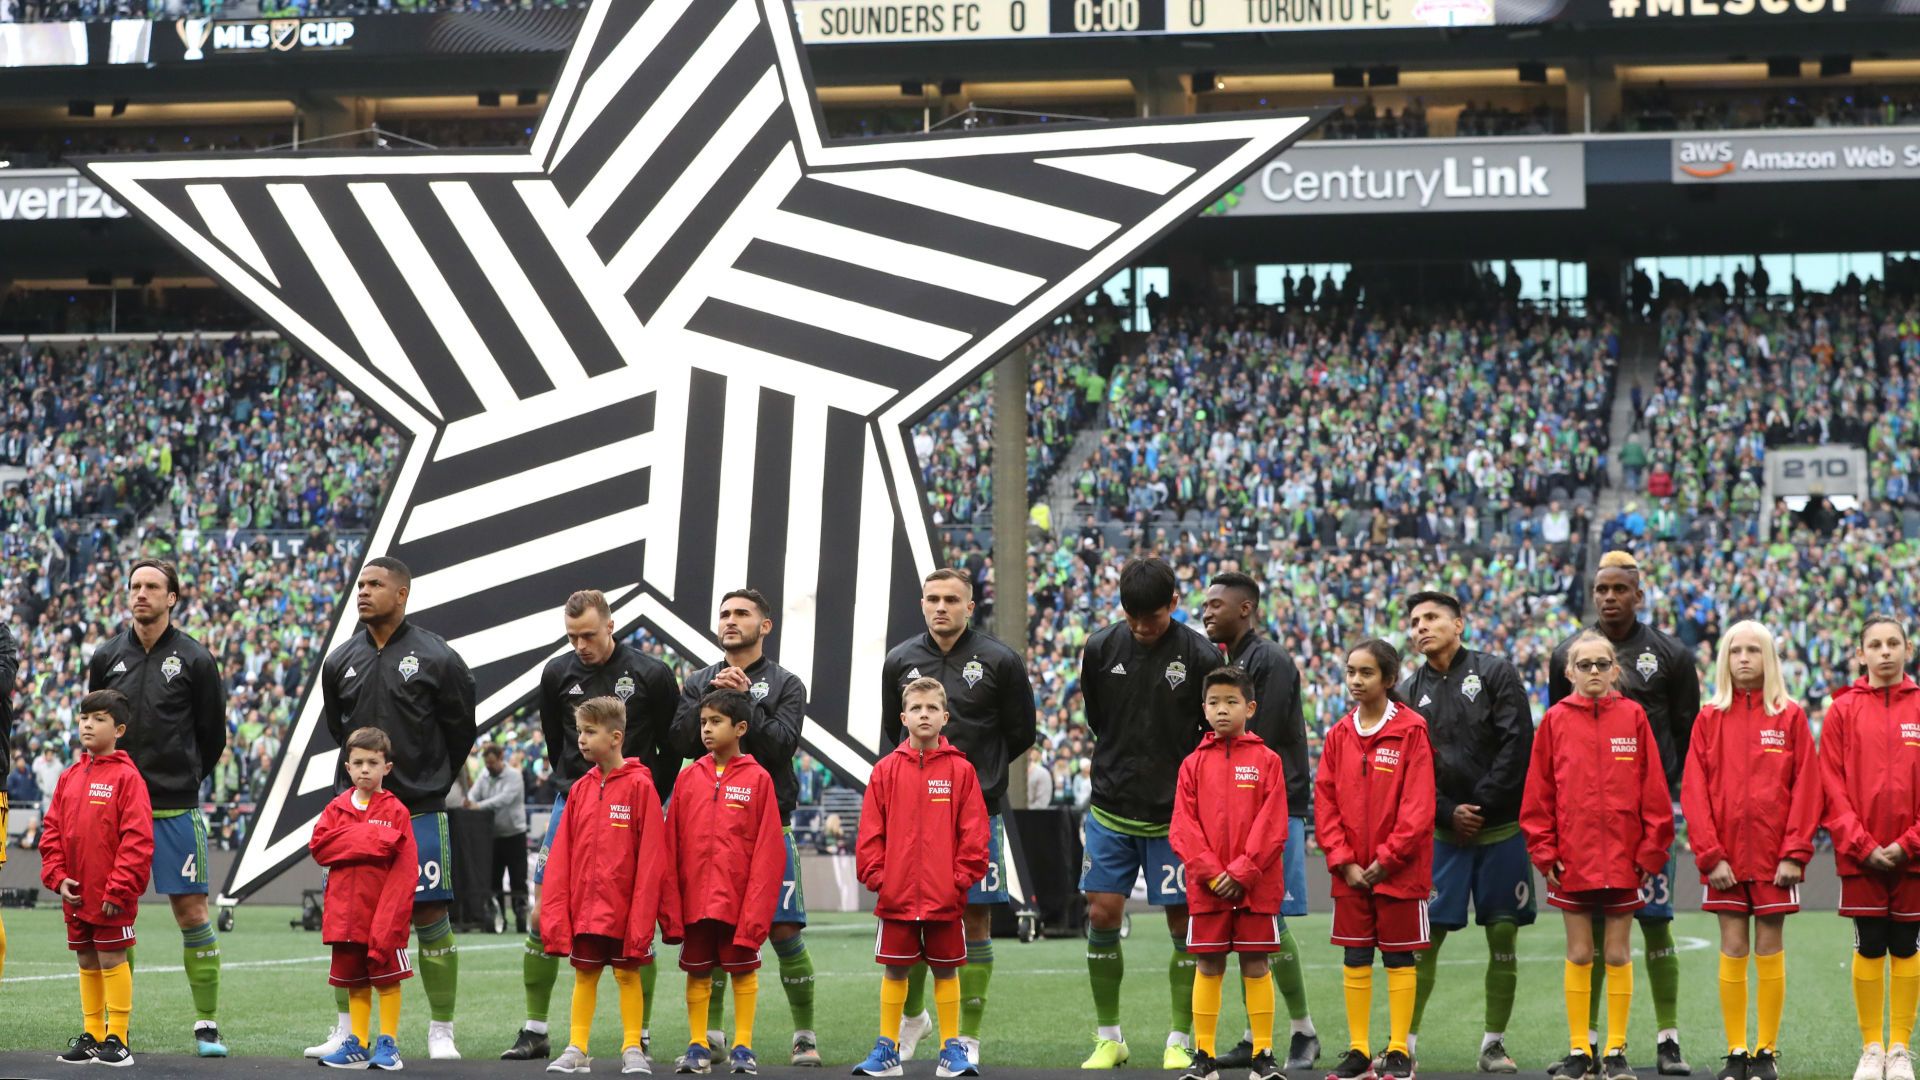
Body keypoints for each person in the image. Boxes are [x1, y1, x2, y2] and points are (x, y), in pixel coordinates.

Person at [312, 556, 478, 1062]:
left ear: (402, 593)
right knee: (350, 922)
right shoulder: (340, 660)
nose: (363, 592)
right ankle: (347, 1032)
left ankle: (441, 1029)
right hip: (357, 814)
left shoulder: (438, 656)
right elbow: (340, 732)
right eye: (360, 584)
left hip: (421, 810)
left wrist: (428, 784)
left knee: (430, 913)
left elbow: (461, 728)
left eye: (375, 584)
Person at [508, 588, 680, 1062]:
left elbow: (672, 743)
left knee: (633, 922)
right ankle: (536, 1029)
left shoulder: (651, 673)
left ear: (610, 624)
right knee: (545, 914)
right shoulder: (558, 673)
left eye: (587, 635)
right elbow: (554, 737)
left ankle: (637, 1037)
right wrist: (574, 784)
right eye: (571, 637)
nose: (580, 645)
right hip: (576, 804)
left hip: (636, 804)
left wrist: (648, 794)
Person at [1548, 551, 1700, 1077]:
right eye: (1601, 590)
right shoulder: (1566, 652)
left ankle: (1667, 1039)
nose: (1610, 597)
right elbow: (1554, 749)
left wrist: (1659, 819)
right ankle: (1586, 1045)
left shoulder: (1672, 654)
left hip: (1641, 829)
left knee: (1655, 927)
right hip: (1582, 835)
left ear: (1639, 594)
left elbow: (1687, 730)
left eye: (1620, 589)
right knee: (1586, 938)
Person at [880, 568, 1036, 1067]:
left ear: (970, 606)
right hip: (915, 817)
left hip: (976, 810)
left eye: (952, 599)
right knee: (912, 916)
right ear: (921, 604)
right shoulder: (899, 660)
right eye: (932, 599)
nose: (941, 607)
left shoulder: (999, 659)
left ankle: (966, 1036)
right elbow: (892, 727)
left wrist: (980, 776)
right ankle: (913, 1020)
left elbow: (1021, 731)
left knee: (975, 917)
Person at [1076, 557, 1225, 1070]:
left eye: (1153, 618)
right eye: (1132, 616)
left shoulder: (1201, 655)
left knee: (1183, 924)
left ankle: (1179, 1037)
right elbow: (1099, 719)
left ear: (1174, 605)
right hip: (1112, 807)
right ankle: (1109, 1036)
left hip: (1175, 816)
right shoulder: (1099, 648)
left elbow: (1209, 733)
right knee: (1102, 913)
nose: (1141, 628)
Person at [86, 558, 230, 1057]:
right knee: (112, 916)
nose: (141, 593)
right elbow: (96, 725)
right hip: (115, 811)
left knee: (191, 913)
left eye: (152, 587)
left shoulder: (195, 659)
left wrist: (181, 779)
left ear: (172, 598)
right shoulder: (107, 656)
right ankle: (113, 1028)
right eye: (135, 586)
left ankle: (207, 1024)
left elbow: (213, 736)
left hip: (173, 809)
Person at [670, 589, 813, 1066]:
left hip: (774, 824)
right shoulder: (697, 681)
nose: (731, 621)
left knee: (784, 929)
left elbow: (780, 748)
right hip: (712, 831)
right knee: (709, 926)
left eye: (742, 614)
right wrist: (715, 698)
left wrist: (746, 701)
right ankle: (710, 1034)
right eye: (725, 614)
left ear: (764, 626)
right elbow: (681, 743)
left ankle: (804, 1035)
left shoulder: (787, 683)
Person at [1523, 631, 1675, 1080]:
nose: (1594, 671)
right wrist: (1544, 850)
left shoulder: (1633, 717)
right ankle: (1578, 1051)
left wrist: (1649, 853)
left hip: (1625, 861)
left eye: (1602, 664)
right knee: (1578, 952)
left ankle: (1615, 1052)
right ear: (1568, 672)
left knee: (1617, 953)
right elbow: (1539, 793)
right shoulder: (1553, 720)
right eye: (1584, 664)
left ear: (1615, 670)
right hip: (1572, 859)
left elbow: (1654, 793)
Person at [1399, 590, 1535, 1074]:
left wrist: (1481, 805)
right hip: (1443, 837)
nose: (1421, 627)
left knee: (1502, 934)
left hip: (1499, 832)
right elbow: (1410, 772)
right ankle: (1404, 1046)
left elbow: (1519, 740)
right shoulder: (1409, 693)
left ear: (1460, 623)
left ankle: (1493, 1045)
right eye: (1415, 621)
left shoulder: (1495, 672)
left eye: (1432, 617)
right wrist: (1448, 812)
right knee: (1425, 939)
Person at [1681, 621, 1819, 1080]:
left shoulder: (1790, 716)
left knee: (1768, 948)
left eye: (1753, 650)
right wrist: (1710, 855)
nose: (1743, 658)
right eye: (1735, 650)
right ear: (1724, 659)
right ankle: (1737, 1051)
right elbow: (1695, 792)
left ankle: (1766, 1053)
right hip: (1724, 862)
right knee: (1733, 947)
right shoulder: (1708, 718)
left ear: (1769, 659)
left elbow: (1807, 788)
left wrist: (1795, 851)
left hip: (1775, 858)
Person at [1201, 572, 1321, 1073]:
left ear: (1245, 608)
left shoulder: (1266, 660)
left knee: (1271, 923)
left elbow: (1259, 742)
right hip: (1240, 810)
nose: (1206, 611)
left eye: (1215, 604)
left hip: (1274, 809)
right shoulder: (1235, 661)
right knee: (1255, 926)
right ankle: (1257, 1036)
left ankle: (1303, 1032)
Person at [852, 678, 990, 1079]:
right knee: (895, 970)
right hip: (896, 897)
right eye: (916, 708)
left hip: (945, 897)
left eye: (932, 708)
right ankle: (886, 1050)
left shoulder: (961, 770)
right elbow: (870, 832)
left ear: (945, 717)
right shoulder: (885, 770)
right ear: (903, 717)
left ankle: (951, 1050)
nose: (924, 715)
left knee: (947, 971)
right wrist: (880, 877)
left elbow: (975, 833)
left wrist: (959, 879)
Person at [1315, 639, 1435, 1080]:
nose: (1355, 681)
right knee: (1356, 955)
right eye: (1350, 672)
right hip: (1351, 874)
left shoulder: (1412, 730)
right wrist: (1343, 860)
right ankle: (1360, 1051)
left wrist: (1388, 858)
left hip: (1399, 871)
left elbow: (1419, 806)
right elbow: (1325, 802)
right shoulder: (1338, 734)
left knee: (1400, 958)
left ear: (1388, 679)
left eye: (1365, 673)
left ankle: (1399, 1050)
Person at [1169, 667, 1290, 1080]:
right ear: (1203, 708)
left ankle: (1263, 1054)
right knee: (1208, 965)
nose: (1222, 710)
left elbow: (1273, 825)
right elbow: (1182, 826)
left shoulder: (1267, 761)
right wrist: (1209, 871)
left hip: (1255, 886)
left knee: (1256, 964)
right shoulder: (1191, 764)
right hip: (1208, 888)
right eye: (1214, 702)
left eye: (1231, 702)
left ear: (1250, 708)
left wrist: (1242, 870)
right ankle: (1203, 1056)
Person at [541, 697, 672, 1077]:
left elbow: (650, 856)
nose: (580, 739)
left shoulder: (640, 787)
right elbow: (563, 854)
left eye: (589, 732)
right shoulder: (579, 789)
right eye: (579, 731)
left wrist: (643, 911)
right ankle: (577, 1047)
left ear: (616, 737)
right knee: (584, 973)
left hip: (625, 907)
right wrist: (559, 907)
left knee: (627, 973)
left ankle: (633, 1046)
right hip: (585, 907)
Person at [664, 689, 785, 1076]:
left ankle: (743, 1047)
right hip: (695, 900)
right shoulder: (688, 778)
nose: (706, 730)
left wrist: (756, 907)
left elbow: (767, 851)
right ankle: (698, 1044)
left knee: (743, 971)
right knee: (698, 970)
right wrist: (672, 904)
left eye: (716, 722)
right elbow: (671, 844)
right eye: (703, 722)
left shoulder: (758, 779)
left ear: (741, 728)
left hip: (737, 901)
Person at [1821, 616, 1920, 1080]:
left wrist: (1908, 844)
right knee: (1869, 946)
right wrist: (1860, 844)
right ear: (1860, 654)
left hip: (1913, 858)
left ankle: (1900, 1048)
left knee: (1906, 946)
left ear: (1907, 649)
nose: (1884, 652)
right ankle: (1871, 1048)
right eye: (1874, 645)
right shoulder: (1842, 710)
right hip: (1860, 857)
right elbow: (1830, 786)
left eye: (1892, 643)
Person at [42, 689, 153, 1068]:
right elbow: (51, 831)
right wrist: (58, 877)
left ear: (119, 729)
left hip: (110, 894)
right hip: (74, 892)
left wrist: (120, 887)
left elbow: (137, 839)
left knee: (111, 957)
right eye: (84, 717)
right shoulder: (69, 777)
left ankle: (118, 1039)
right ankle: (91, 1035)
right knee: (86, 960)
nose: (88, 724)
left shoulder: (127, 778)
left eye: (99, 718)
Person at [309, 727, 421, 1072]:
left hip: (381, 915)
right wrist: (372, 836)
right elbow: (320, 847)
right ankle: (357, 1042)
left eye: (373, 762)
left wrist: (349, 840)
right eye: (357, 762)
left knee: (387, 980)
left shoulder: (397, 811)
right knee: (355, 982)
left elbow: (405, 870)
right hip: (345, 916)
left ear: (387, 767)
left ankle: (389, 1043)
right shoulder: (336, 807)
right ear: (347, 767)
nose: (365, 769)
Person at [467, 745, 528, 932]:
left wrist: (478, 806)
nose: (489, 767)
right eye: (487, 763)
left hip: (514, 834)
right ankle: (499, 917)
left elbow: (504, 799)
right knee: (494, 880)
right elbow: (472, 795)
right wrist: (471, 801)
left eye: (492, 763)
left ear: (501, 758)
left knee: (518, 879)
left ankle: (521, 917)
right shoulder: (484, 776)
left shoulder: (515, 776)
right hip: (493, 837)